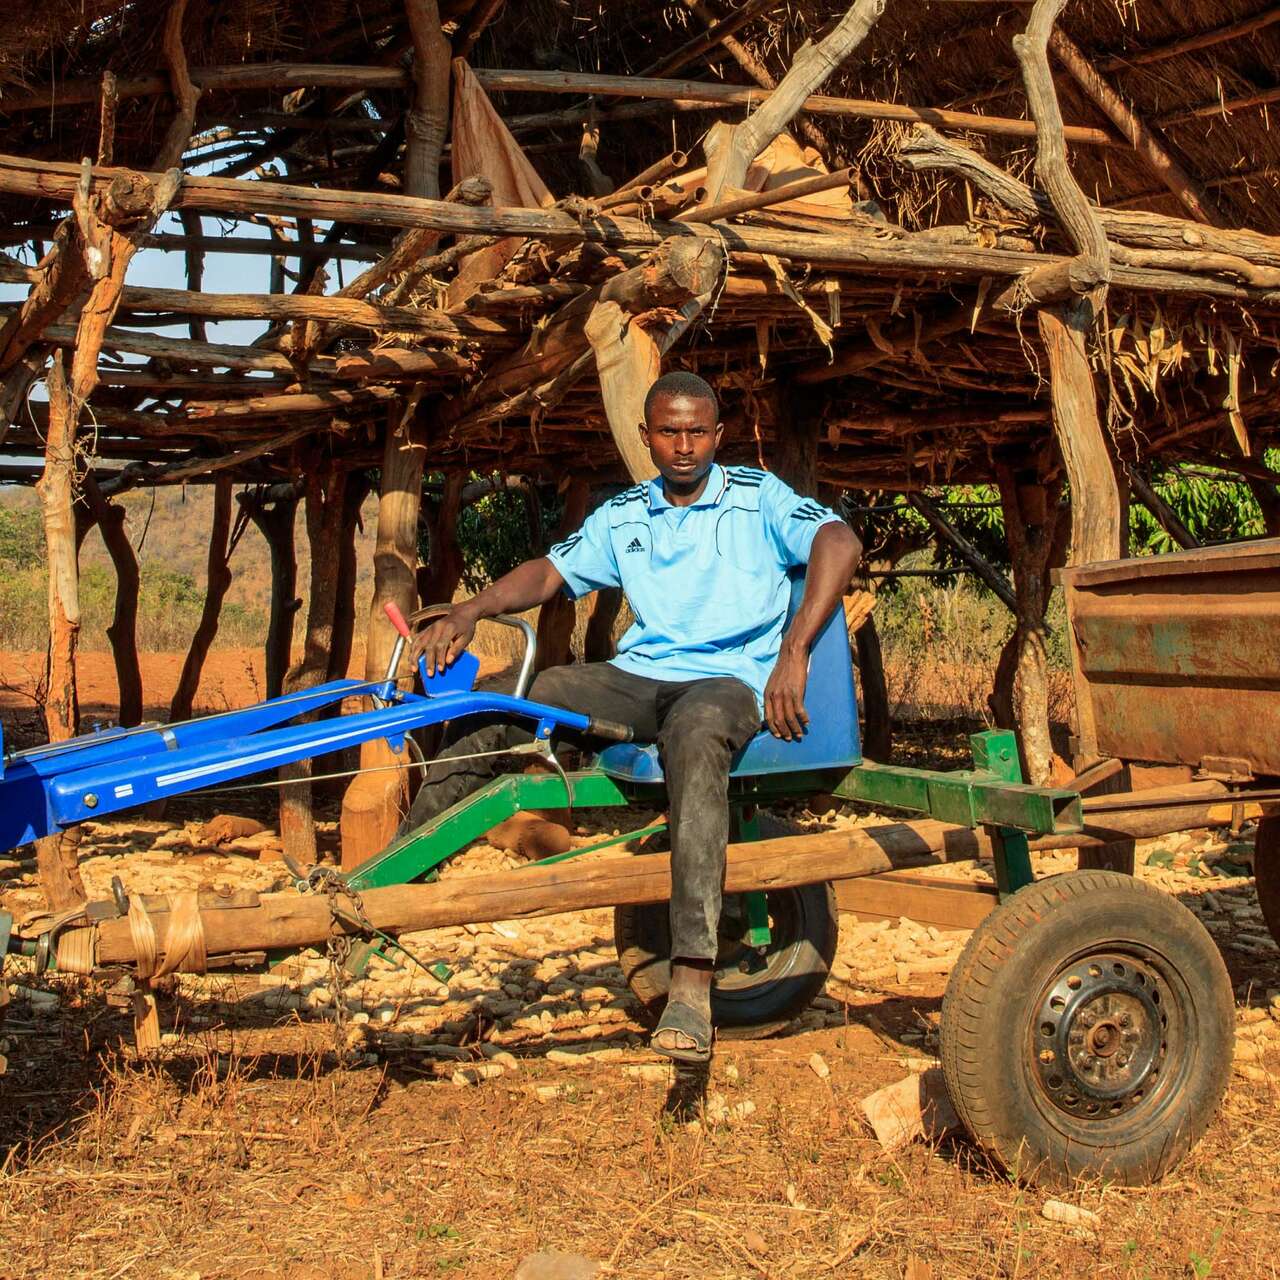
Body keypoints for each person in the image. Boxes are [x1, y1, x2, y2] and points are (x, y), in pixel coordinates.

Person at [408, 370, 861, 1063]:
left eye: (697, 431)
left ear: (718, 435)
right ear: (647, 438)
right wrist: (468, 610)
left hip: (725, 681)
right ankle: (394, 877)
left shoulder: (757, 498)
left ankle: (690, 980)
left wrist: (794, 649)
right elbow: (549, 574)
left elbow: (838, 542)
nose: (684, 445)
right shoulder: (627, 514)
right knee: (523, 693)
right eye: (670, 432)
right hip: (639, 677)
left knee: (697, 735)